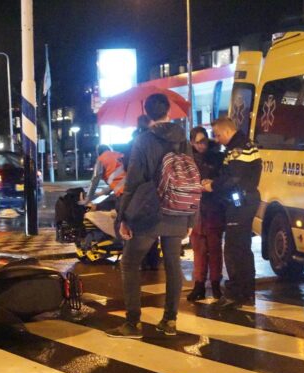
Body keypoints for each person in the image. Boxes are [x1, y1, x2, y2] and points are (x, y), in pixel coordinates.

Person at [106, 93, 193, 338]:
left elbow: (132, 182)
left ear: (146, 112)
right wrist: (191, 218)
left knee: (130, 262)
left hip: (148, 211)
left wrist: (121, 217)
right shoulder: (183, 140)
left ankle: (133, 323)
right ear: (169, 111)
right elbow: (191, 178)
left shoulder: (143, 141)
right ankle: (170, 321)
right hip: (177, 209)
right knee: (173, 265)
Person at [202, 117, 262, 310]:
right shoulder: (241, 146)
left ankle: (236, 293)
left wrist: (212, 185)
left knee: (234, 248)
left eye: (218, 135)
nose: (217, 139)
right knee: (242, 248)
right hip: (244, 200)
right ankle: (246, 293)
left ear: (227, 132)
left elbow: (233, 178)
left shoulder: (239, 149)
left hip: (240, 202)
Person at [186, 127, 225, 301]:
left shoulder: (217, 157)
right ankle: (199, 285)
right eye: (198, 141)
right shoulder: (187, 160)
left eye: (204, 141)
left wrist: (212, 184)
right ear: (192, 142)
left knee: (215, 248)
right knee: (199, 249)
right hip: (196, 209)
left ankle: (216, 284)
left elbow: (223, 179)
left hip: (213, 208)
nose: (202, 145)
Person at [81, 145, 126, 238]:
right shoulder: (120, 155)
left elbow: (95, 179)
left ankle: (121, 241)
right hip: (133, 189)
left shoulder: (101, 159)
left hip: (122, 194)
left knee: (119, 221)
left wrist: (88, 199)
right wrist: (100, 193)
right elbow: (117, 181)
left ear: (98, 152)